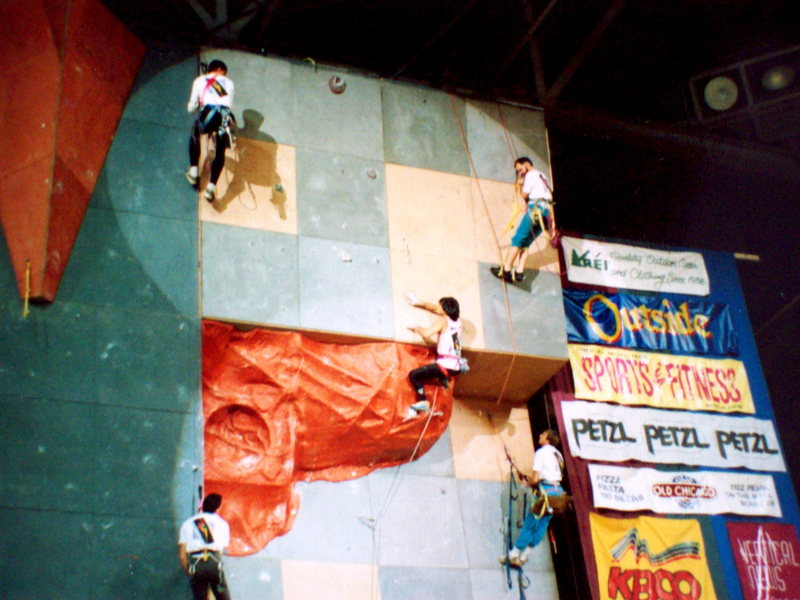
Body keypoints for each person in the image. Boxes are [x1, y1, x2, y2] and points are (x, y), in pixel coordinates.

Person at [500, 429, 565, 567]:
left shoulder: (541, 453)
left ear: (547, 439)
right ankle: (524, 555)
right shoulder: (558, 454)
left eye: (542, 434)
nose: (539, 435)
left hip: (545, 492)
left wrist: (527, 483)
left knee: (531, 522)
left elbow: (535, 479)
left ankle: (514, 554)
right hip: (557, 493)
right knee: (543, 525)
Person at [490, 157, 554, 283]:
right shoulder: (543, 176)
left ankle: (506, 269)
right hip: (546, 212)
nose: (520, 172)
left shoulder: (530, 175)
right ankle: (519, 272)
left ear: (526, 165)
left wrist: (520, 185)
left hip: (535, 210)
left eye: (520, 169)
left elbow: (524, 194)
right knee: (526, 242)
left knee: (518, 239)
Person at [186, 60, 235, 203]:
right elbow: (226, 102)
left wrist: (196, 106)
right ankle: (210, 189)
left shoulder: (200, 80)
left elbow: (191, 108)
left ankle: (194, 172)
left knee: (195, 135)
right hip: (225, 117)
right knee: (220, 152)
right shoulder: (229, 83)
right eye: (223, 73)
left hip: (209, 113)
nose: (224, 76)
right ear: (219, 69)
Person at [407, 295, 463, 415]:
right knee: (437, 370)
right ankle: (443, 378)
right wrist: (420, 303)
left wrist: (417, 328)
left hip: (445, 365)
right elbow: (435, 309)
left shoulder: (443, 321)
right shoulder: (458, 321)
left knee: (414, 375)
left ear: (444, 310)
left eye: (440, 307)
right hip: (456, 366)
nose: (437, 309)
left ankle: (423, 402)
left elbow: (427, 334)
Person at [178, 493, 232, 600]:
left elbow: (182, 556)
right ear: (218, 508)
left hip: (196, 564)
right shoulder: (223, 524)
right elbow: (221, 550)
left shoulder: (188, 523)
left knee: (200, 596)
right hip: (214, 563)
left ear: (203, 506)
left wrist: (189, 571)